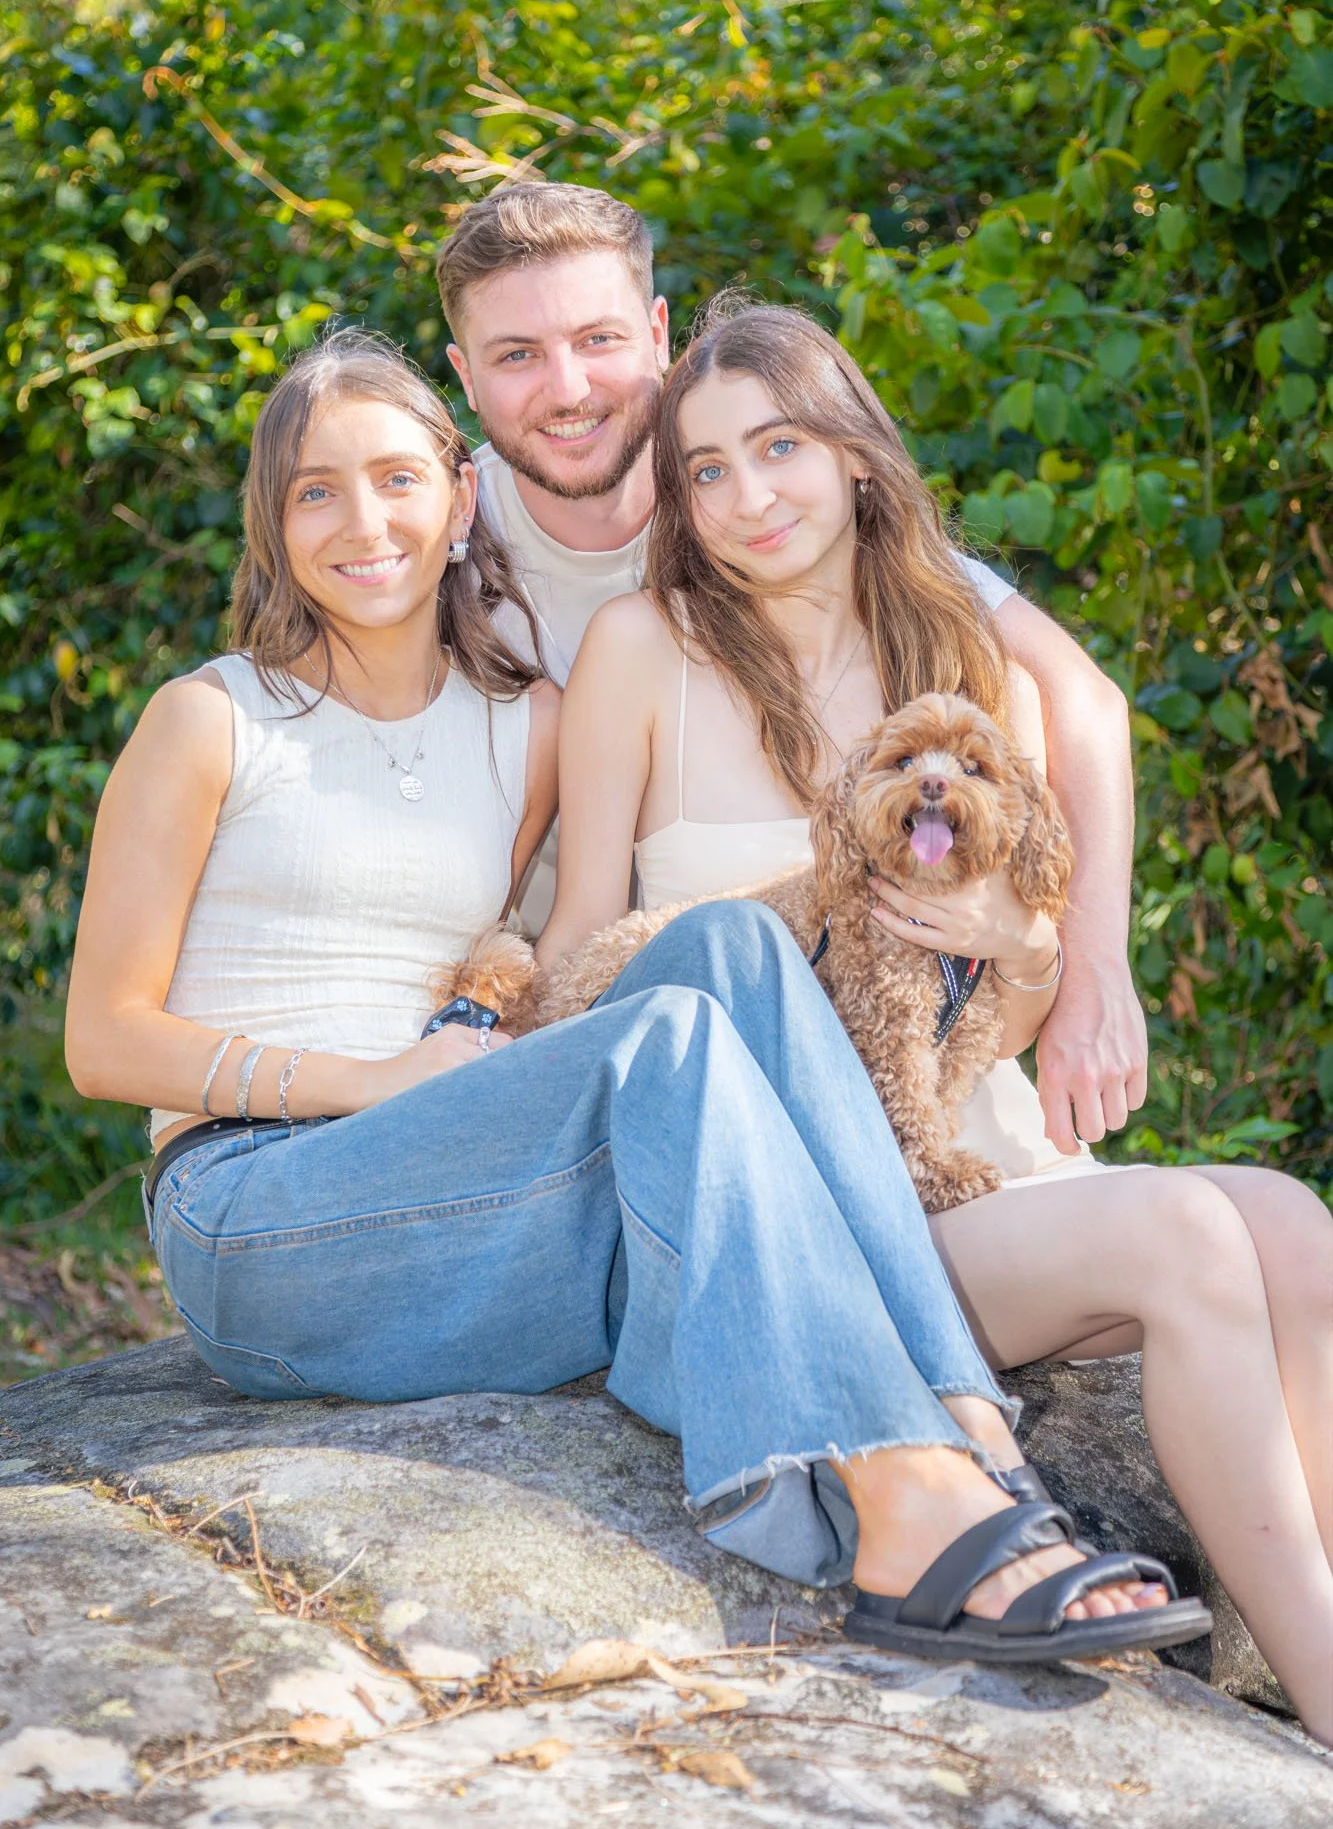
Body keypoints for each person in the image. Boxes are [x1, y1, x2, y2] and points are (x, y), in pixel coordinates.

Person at [64, 327, 1205, 1669]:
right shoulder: (213, 719)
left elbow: (559, 951)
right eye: (314, 489)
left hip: (469, 1181)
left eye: (393, 480)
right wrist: (366, 1082)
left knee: (735, 949)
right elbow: (102, 1043)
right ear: (272, 521)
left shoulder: (531, 722)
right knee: (669, 1034)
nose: (361, 522)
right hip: (262, 1210)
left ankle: (965, 1423)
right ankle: (903, 1504)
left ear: (459, 498)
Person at [539, 300, 1333, 1741]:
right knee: (1185, 1235)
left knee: (1291, 1220)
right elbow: (583, 950)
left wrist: (1019, 943)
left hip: (971, 1157)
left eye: (776, 446)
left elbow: (1010, 1001)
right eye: (703, 468)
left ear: (852, 454)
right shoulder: (638, 652)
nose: (744, 496)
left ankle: (1300, 1647)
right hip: (812, 1211)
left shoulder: (968, 656)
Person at [436, 179, 1143, 1166]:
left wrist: (1080, 964)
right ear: (465, 376)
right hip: (656, 1052)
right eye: (518, 354)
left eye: (596, 339)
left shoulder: (839, 557)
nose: (567, 388)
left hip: (912, 1088)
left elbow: (1081, 700)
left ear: (656, 335)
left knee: (1273, 1240)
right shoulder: (433, 549)